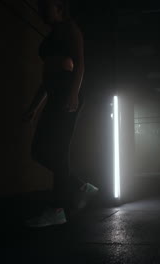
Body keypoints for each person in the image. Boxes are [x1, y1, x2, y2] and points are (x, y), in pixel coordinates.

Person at [23, 0, 98, 228]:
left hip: (67, 91)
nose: (41, 10)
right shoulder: (53, 34)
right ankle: (80, 186)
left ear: (59, 7)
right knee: (38, 151)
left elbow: (80, 64)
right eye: (39, 6)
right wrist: (34, 107)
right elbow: (47, 79)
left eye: (46, 6)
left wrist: (73, 93)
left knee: (58, 149)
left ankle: (57, 209)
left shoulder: (69, 29)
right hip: (55, 91)